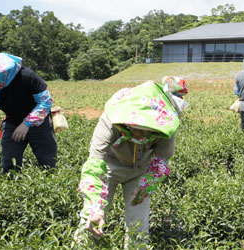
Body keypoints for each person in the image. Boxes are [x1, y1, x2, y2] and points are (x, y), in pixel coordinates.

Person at [74, 78, 187, 248]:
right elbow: (94, 165)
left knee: (139, 225)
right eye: (138, 129)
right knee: (91, 220)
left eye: (148, 131)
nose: (142, 136)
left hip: (140, 170)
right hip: (109, 168)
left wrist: (147, 184)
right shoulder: (110, 121)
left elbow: (161, 161)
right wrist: (94, 207)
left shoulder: (166, 126)